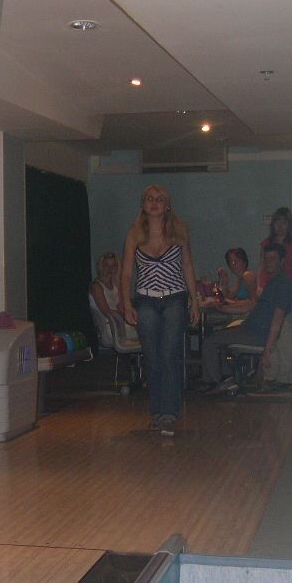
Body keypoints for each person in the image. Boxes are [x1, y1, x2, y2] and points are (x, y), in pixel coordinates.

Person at [120, 185, 200, 437]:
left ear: (167, 205)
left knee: (168, 355)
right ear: (143, 204)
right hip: (145, 300)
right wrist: (126, 304)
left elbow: (187, 265)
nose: (154, 203)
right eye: (149, 199)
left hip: (174, 299)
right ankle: (157, 412)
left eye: (159, 199)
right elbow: (126, 273)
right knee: (152, 357)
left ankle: (170, 413)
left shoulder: (180, 232)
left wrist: (194, 300)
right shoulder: (134, 235)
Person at [199, 243, 292, 393]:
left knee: (210, 341)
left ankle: (214, 382)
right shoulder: (274, 281)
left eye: (273, 259)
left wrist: (267, 350)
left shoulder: (282, 284)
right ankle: (225, 378)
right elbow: (252, 306)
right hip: (249, 328)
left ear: (282, 261)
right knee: (219, 336)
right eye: (266, 259)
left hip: (257, 333)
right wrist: (222, 307)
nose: (268, 262)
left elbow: (277, 319)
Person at [260, 207, 292, 389]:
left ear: (289, 225)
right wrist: (259, 289)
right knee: (270, 335)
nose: (281, 226)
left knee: (286, 336)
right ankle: (270, 374)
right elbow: (261, 268)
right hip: (269, 293)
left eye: (284, 222)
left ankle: (284, 378)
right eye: (278, 222)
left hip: (285, 292)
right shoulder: (266, 243)